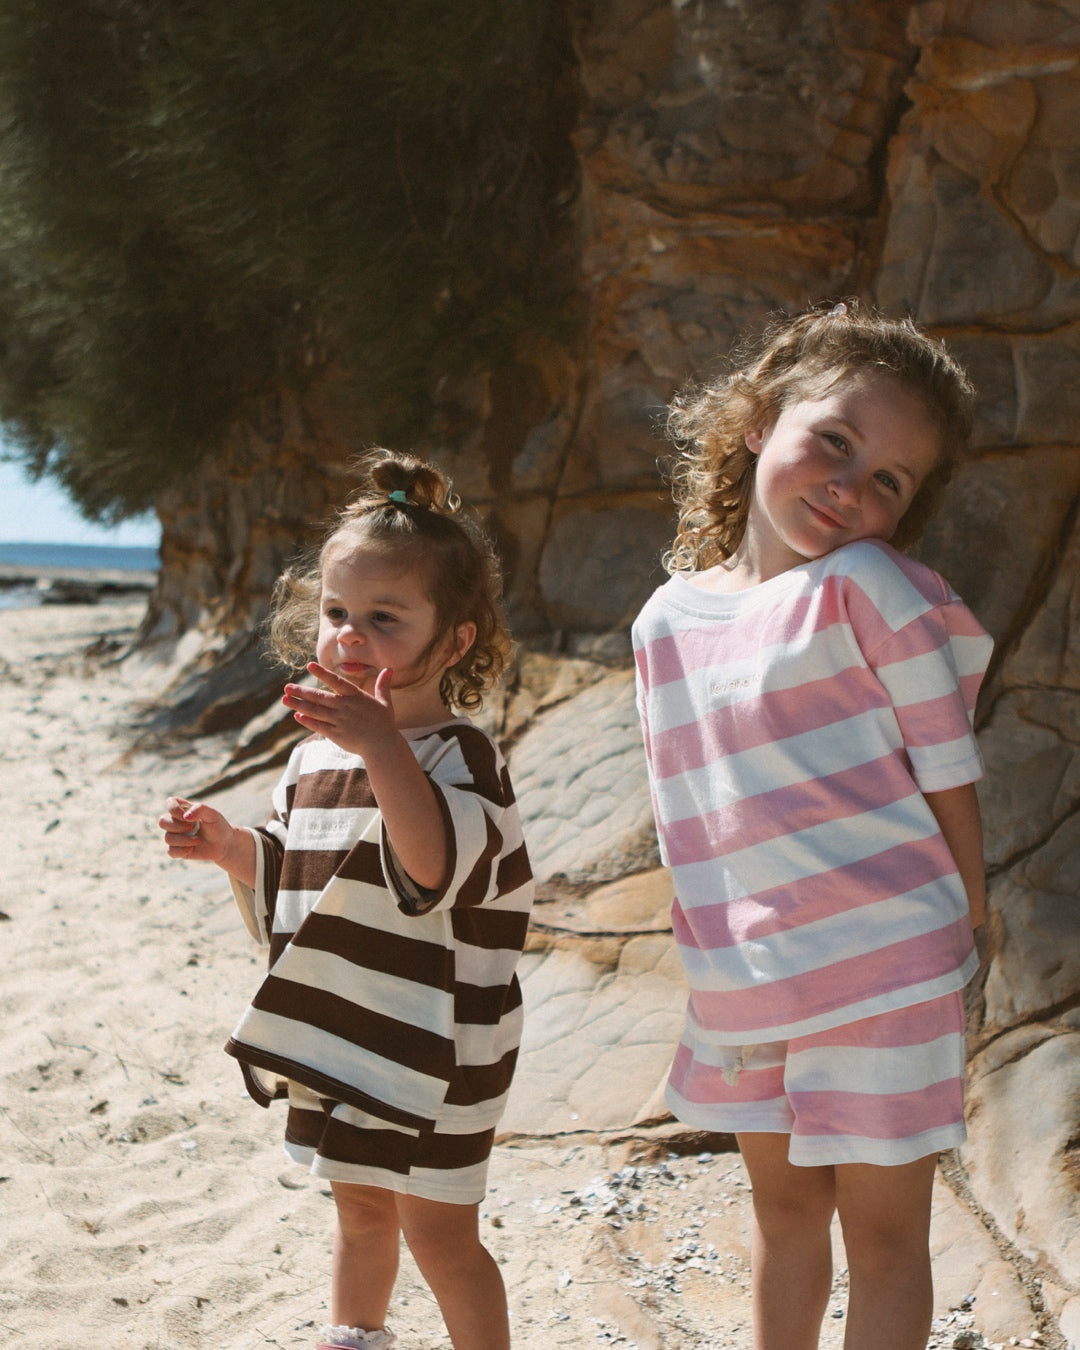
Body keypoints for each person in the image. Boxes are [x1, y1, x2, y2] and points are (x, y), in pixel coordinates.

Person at [631, 301, 994, 1350]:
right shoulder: (665, 621)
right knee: (783, 1222)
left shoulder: (867, 587)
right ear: (757, 419)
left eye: (889, 480)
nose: (849, 485)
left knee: (885, 1243)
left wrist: (970, 920)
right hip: (748, 984)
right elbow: (684, 807)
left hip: (886, 969)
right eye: (835, 441)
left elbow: (948, 767)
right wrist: (706, 963)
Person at [159, 450, 533, 1350]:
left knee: (439, 1234)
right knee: (360, 1211)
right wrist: (234, 851)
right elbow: (302, 878)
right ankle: (353, 1336)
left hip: (441, 1042)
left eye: (383, 618)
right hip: (344, 1026)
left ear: (454, 643)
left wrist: (382, 749)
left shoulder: (457, 757)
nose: (350, 637)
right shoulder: (310, 759)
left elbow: (433, 869)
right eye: (336, 614)